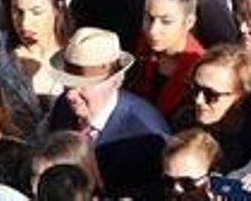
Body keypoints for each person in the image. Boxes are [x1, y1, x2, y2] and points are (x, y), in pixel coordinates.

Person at [47, 27, 170, 197]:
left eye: (83, 85)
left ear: (116, 81)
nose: (70, 94)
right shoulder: (63, 107)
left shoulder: (146, 135)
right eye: (68, 83)